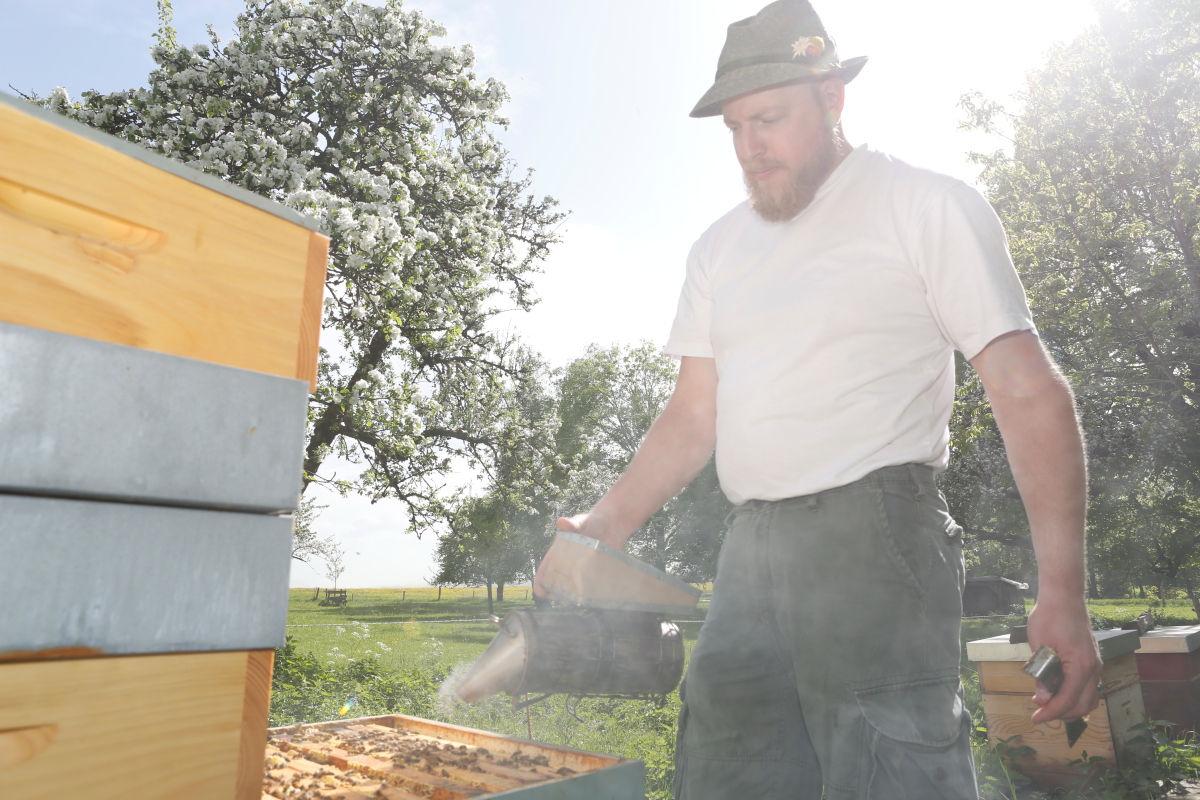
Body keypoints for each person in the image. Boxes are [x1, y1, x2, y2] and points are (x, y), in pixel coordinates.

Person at [534, 1, 1103, 797]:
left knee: (892, 775)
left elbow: (1027, 390)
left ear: (832, 98)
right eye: (735, 127)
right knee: (725, 773)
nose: (749, 147)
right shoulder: (719, 248)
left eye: (768, 119)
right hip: (748, 550)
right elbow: (694, 414)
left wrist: (1062, 592)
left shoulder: (924, 204)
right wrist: (607, 524)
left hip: (878, 538)